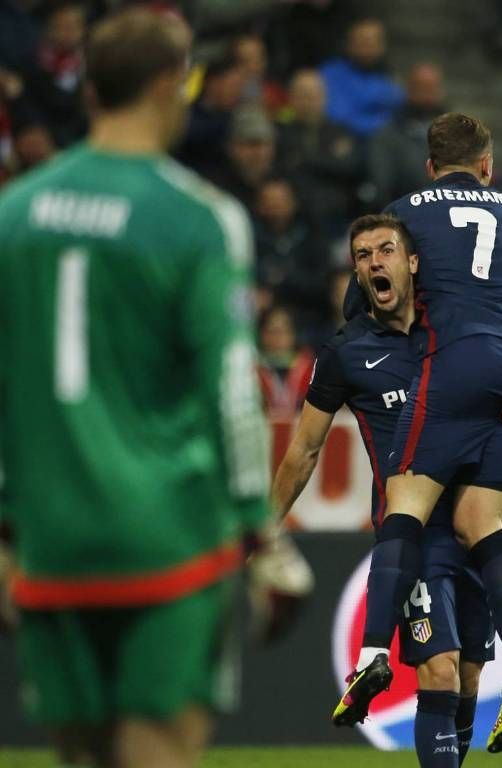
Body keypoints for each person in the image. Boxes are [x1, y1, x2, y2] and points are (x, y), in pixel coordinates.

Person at [0, 9, 311, 768]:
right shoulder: (197, 219)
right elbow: (232, 391)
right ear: (171, 84)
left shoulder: (14, 214)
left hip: (48, 535)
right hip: (164, 530)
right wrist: (260, 535)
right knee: (158, 748)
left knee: (82, 754)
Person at [272, 213, 502, 767]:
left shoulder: (454, 333)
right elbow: (304, 449)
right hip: (413, 535)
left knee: (469, 675)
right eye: (363, 255)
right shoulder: (346, 352)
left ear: (412, 261)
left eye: (385, 250)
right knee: (437, 666)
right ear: (357, 272)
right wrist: (264, 526)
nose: (375, 261)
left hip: (474, 523)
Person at [336, 112, 502, 753]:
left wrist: (355, 318)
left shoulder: (405, 211)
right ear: (489, 165)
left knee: (402, 506)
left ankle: (372, 653)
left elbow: (367, 295)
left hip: (454, 362)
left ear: (429, 167)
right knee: (482, 526)